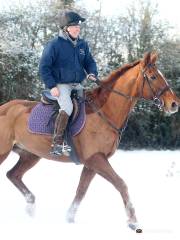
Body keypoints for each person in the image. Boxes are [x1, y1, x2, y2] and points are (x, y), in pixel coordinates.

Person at [39, 10, 98, 156]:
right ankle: (57, 143)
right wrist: (52, 86)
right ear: (66, 29)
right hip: (61, 84)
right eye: (74, 26)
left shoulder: (82, 45)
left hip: (77, 84)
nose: (78, 28)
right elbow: (44, 67)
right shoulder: (54, 45)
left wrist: (92, 72)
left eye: (78, 26)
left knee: (90, 105)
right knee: (68, 107)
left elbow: (89, 62)